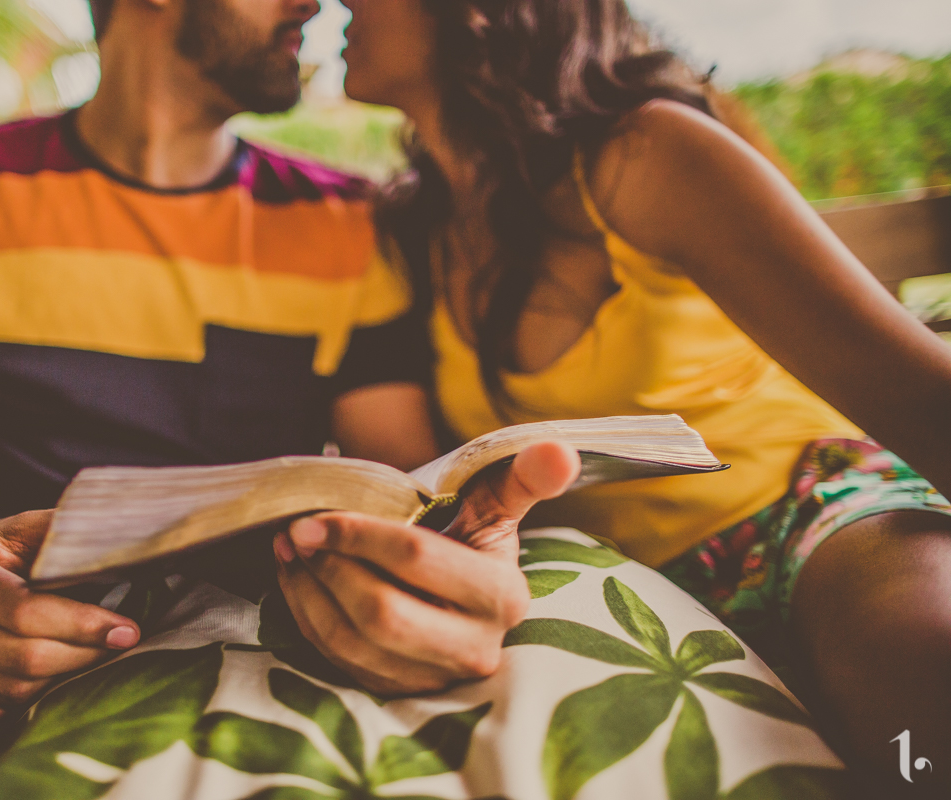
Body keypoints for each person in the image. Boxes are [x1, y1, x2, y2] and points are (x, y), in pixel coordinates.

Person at [0, 0, 580, 737]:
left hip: (265, 662)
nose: (315, 4)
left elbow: (400, 475)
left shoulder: (345, 220)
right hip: (12, 668)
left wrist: (451, 556)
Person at [336, 0, 951, 785]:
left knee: (925, 689)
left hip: (809, 511)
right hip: (622, 584)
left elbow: (922, 401)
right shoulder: (407, 233)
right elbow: (414, 489)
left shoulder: (647, 152)